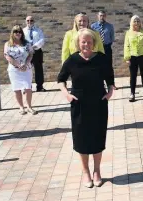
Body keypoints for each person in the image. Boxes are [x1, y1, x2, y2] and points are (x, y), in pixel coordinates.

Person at [57, 28, 115, 188]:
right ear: (78, 43)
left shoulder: (102, 59)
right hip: (79, 103)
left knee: (97, 137)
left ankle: (97, 171)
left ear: (94, 43)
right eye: (83, 42)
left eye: (89, 42)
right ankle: (86, 172)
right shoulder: (72, 60)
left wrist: (110, 92)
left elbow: (110, 77)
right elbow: (61, 79)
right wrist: (66, 94)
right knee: (81, 139)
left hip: (98, 101)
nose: (86, 44)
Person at [3, 25, 37, 115]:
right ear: (12, 33)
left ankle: (29, 107)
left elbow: (31, 54)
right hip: (14, 70)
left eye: (19, 32)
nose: (18, 33)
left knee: (28, 88)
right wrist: (18, 65)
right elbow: (7, 56)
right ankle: (21, 107)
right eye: (15, 31)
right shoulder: (8, 44)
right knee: (17, 88)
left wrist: (25, 64)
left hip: (27, 68)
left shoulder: (27, 43)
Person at [124, 15, 143, 101]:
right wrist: (127, 58)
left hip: (142, 56)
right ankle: (132, 93)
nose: (136, 23)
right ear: (132, 23)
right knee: (133, 76)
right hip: (132, 57)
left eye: (138, 21)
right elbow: (126, 46)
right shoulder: (128, 33)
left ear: (140, 23)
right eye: (134, 21)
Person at [23, 15, 46, 92]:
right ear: (25, 22)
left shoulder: (38, 30)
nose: (29, 22)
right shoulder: (23, 31)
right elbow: (21, 41)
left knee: (38, 69)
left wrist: (34, 47)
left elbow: (42, 40)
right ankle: (27, 87)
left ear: (34, 21)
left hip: (37, 51)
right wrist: (28, 48)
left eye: (31, 20)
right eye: (28, 20)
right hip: (26, 52)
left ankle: (39, 86)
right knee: (26, 69)